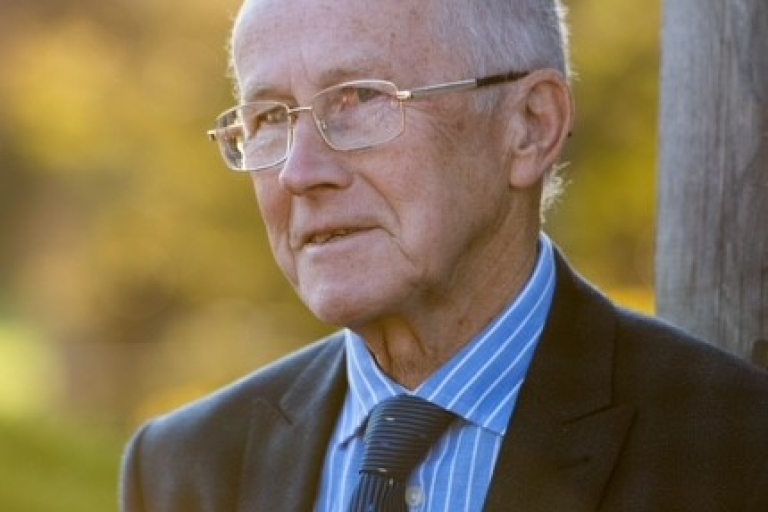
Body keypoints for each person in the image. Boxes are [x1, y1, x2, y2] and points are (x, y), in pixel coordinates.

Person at [120, 0, 768, 510]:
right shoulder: (183, 470)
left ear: (530, 127)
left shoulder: (735, 450)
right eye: (268, 119)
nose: (298, 171)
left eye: (358, 99)